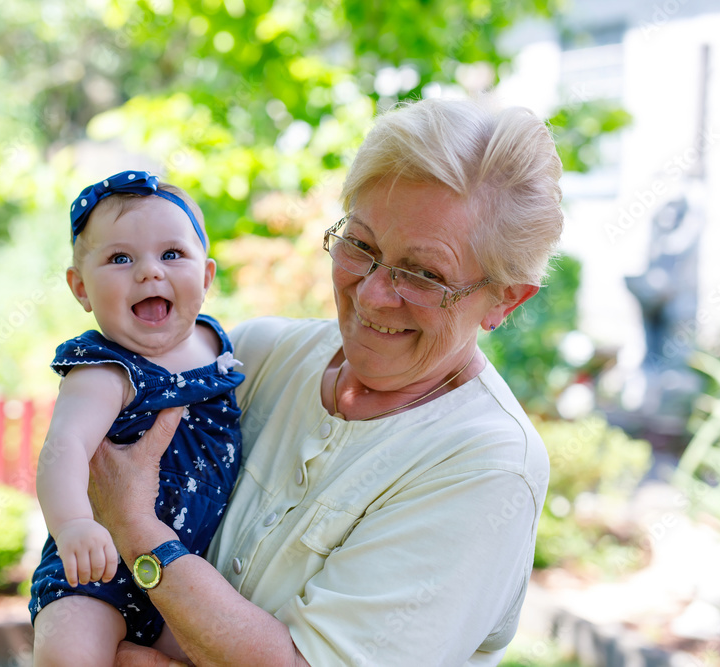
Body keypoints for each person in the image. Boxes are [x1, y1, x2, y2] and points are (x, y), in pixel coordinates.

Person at [86, 97, 564, 667]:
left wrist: (137, 530)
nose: (371, 293)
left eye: (423, 274)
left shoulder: (487, 466)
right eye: (361, 245)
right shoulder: (254, 358)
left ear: (505, 300)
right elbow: (99, 472)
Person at [29, 170, 245, 666]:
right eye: (120, 258)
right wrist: (74, 526)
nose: (149, 271)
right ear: (80, 289)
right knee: (70, 656)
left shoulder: (216, 345)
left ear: (206, 277)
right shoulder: (106, 369)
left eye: (172, 254)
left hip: (185, 576)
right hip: (97, 571)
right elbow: (63, 449)